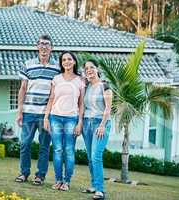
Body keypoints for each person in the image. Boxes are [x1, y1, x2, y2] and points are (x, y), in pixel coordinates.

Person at [15, 34, 60, 185]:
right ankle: (24, 173)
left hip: (46, 115)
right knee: (25, 144)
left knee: (44, 146)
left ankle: (40, 175)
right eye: (41, 44)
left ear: (51, 48)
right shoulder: (27, 64)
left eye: (47, 44)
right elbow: (22, 89)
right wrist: (20, 111)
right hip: (28, 113)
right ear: (37, 46)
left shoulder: (57, 68)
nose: (44, 47)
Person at [44, 51, 85, 191]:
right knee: (57, 149)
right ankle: (58, 180)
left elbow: (81, 103)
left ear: (74, 62)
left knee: (69, 150)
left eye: (69, 59)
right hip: (55, 117)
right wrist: (46, 117)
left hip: (71, 119)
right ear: (61, 63)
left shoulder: (80, 80)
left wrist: (80, 122)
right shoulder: (56, 79)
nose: (66, 62)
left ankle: (66, 182)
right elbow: (51, 99)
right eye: (64, 60)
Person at [81, 60, 112, 200]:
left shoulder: (105, 86)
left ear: (97, 69)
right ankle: (94, 185)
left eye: (92, 67)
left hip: (100, 123)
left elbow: (108, 108)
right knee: (90, 157)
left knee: (96, 156)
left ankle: (100, 190)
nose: (89, 70)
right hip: (87, 123)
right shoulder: (86, 86)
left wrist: (102, 125)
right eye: (87, 68)